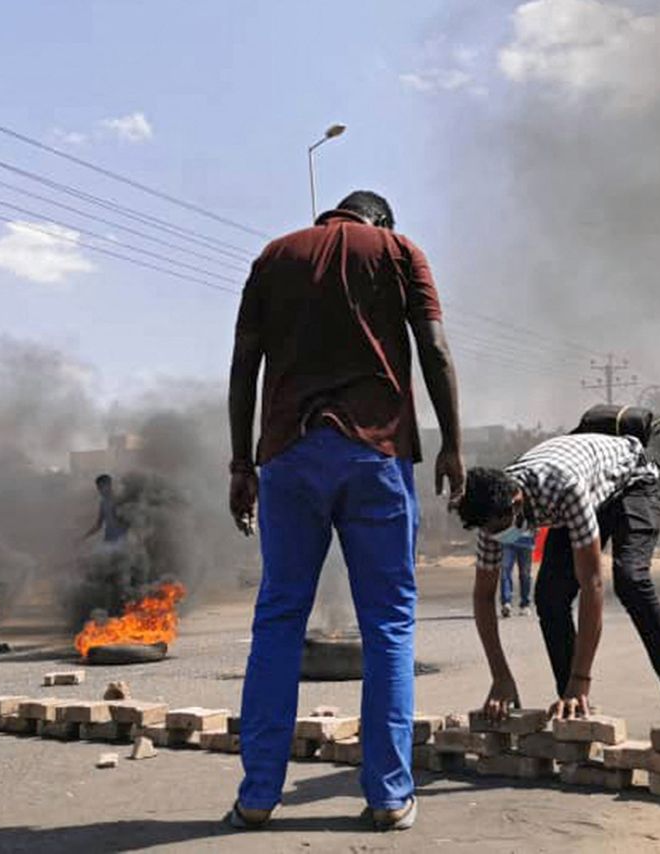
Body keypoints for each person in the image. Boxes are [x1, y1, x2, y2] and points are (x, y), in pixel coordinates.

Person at [226, 190, 463, 832]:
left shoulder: (274, 257)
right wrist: (452, 447)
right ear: (380, 220)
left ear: (328, 217)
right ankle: (388, 797)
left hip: (289, 456)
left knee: (278, 619)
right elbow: (435, 351)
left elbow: (244, 365)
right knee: (387, 624)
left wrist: (240, 464)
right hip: (376, 455)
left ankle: (257, 796)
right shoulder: (398, 251)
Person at [456, 432, 660, 724]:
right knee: (549, 598)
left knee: (630, 580)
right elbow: (483, 597)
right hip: (581, 496)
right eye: (488, 530)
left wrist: (581, 678)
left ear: (516, 502)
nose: (498, 536)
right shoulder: (491, 515)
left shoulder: (561, 487)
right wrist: (500, 677)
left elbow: (592, 584)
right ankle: (574, 707)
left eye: (500, 527)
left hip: (633, 482)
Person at [499, 529, 535, 618]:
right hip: (507, 538)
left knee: (525, 574)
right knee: (505, 572)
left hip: (526, 540)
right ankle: (506, 603)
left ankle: (525, 604)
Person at [82, 474, 127, 544]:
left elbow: (130, 521)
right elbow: (98, 525)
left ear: (109, 485)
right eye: (98, 488)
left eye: (101, 487)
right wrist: (84, 537)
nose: (99, 490)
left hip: (121, 541)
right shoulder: (103, 503)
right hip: (109, 540)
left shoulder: (120, 500)